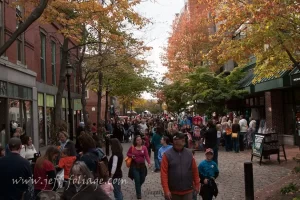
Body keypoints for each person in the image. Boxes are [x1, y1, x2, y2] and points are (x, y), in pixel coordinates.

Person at [161, 132, 200, 200]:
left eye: (184, 138)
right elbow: (163, 174)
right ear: (175, 141)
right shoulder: (167, 155)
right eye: (181, 138)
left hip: (188, 190)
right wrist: (166, 190)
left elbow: (194, 170)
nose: (183, 140)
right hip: (173, 191)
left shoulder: (189, 153)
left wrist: (197, 184)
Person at [127, 135, 151, 199]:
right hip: (135, 166)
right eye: (137, 140)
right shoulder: (132, 147)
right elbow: (128, 154)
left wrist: (149, 163)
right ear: (135, 141)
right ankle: (138, 194)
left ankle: (138, 187)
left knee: (142, 179)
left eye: (140, 139)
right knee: (137, 180)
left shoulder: (144, 148)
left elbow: (146, 156)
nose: (139, 141)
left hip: (142, 166)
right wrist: (132, 156)